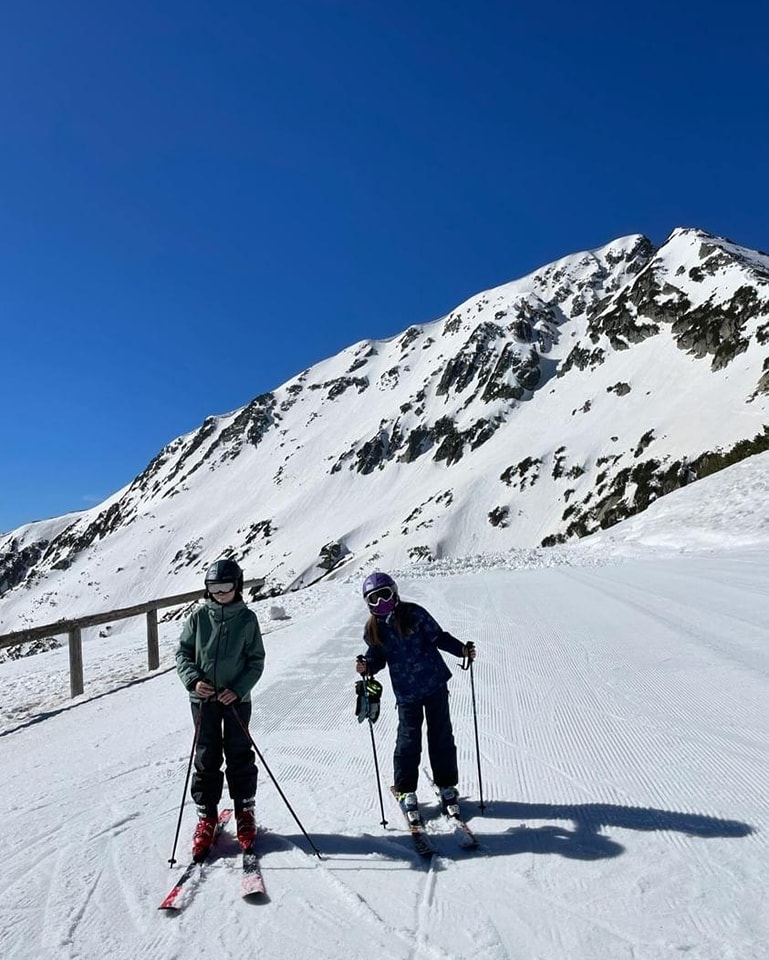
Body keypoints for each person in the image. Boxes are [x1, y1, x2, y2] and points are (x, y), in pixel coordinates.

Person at [355, 571, 476, 812]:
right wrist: (367, 666)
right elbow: (376, 656)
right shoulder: (374, 629)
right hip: (406, 694)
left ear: (394, 592)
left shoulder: (414, 614)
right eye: (374, 599)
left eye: (384, 595)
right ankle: (406, 789)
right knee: (408, 740)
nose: (380, 602)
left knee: (441, 735)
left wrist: (461, 650)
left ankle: (447, 785)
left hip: (434, 685)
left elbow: (439, 637)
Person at [176, 558, 266, 858]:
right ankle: (206, 817)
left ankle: (245, 812)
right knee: (206, 756)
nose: (221, 593)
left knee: (239, 753)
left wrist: (238, 689)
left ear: (237, 586)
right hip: (203, 701)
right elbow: (183, 653)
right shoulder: (199, 617)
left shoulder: (247, 620)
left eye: (226, 586)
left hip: (236, 700)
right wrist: (193, 681)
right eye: (214, 587)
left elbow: (255, 661)